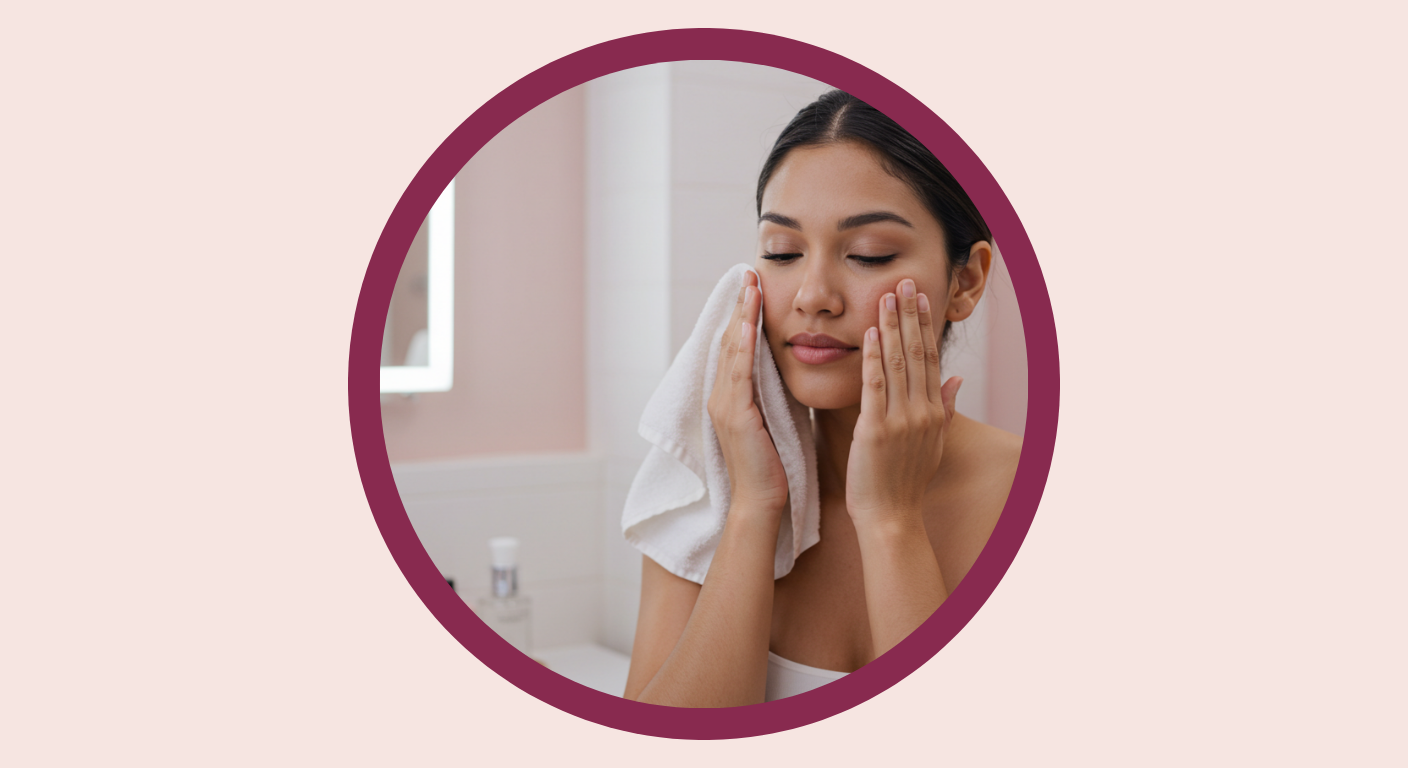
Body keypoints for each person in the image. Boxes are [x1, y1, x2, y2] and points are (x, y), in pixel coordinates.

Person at [623, 90, 1022, 707]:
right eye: (782, 252)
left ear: (965, 281)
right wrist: (753, 511)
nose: (813, 295)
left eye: (869, 255)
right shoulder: (707, 492)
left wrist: (891, 521)